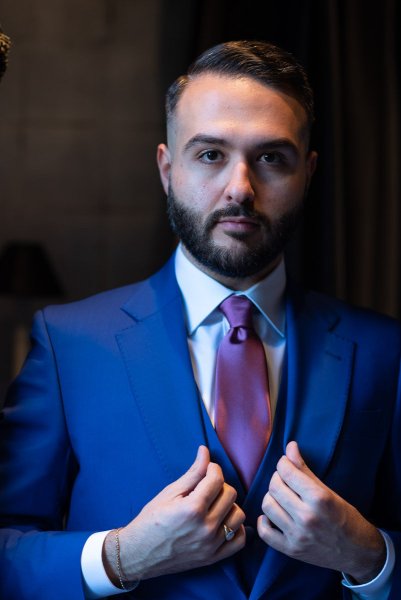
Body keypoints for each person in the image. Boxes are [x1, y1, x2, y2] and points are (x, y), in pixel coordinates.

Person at [0, 40, 400, 600]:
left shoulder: (384, 350)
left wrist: (369, 555)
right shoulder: (68, 344)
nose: (240, 188)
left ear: (307, 174)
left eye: (271, 158)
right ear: (167, 169)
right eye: (210, 155)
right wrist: (121, 557)